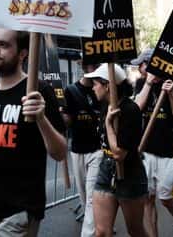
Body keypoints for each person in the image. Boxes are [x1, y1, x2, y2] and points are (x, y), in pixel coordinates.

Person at [0, 26, 67, 237]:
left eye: (3, 45)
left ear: (23, 54)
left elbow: (60, 153)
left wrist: (41, 118)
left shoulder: (38, 91)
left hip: (20, 210)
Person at [84, 64, 149, 237]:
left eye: (96, 83)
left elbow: (119, 153)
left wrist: (108, 125)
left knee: (136, 232)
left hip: (130, 175)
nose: (93, 87)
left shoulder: (130, 110)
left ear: (107, 85)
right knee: (102, 232)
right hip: (106, 170)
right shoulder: (106, 106)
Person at [135, 73, 173, 237]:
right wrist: (148, 84)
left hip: (167, 152)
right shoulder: (143, 83)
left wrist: (171, 93)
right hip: (145, 151)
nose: (143, 69)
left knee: (165, 198)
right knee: (148, 200)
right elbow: (136, 108)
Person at [62, 62, 102, 237]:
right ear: (85, 67)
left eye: (98, 65)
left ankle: (89, 232)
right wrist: (60, 115)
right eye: (93, 65)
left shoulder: (101, 88)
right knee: (84, 196)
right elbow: (67, 121)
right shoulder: (70, 90)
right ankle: (100, 222)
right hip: (77, 149)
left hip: (97, 149)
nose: (95, 68)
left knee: (92, 196)